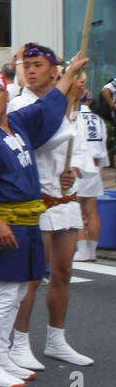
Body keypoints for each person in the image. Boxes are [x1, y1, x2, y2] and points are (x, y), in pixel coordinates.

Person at [0, 53, 88, 387]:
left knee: (18, 291)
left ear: (7, 95)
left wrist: (71, 72)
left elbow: (48, 106)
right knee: (4, 293)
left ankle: (2, 355)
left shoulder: (17, 123)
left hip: (29, 218)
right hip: (5, 222)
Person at [7, 43, 95, 368]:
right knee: (31, 276)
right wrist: (66, 100)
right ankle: (18, 342)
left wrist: (76, 170)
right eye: (25, 64)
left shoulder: (74, 109)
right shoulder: (18, 105)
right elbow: (34, 142)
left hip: (66, 201)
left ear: (53, 70)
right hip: (35, 202)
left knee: (64, 272)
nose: (30, 70)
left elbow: (83, 150)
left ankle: (56, 339)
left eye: (37, 65)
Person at [74, 80, 107, 262]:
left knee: (76, 209)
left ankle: (82, 250)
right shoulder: (98, 120)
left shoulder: (75, 117)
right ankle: (92, 250)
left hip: (79, 167)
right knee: (92, 210)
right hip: (94, 167)